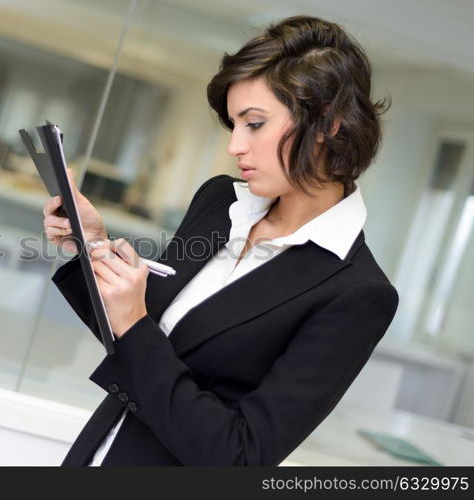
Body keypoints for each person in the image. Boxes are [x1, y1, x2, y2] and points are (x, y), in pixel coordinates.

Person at [42, 15, 398, 466]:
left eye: (254, 124)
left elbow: (240, 459)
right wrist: (92, 245)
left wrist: (135, 326)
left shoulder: (356, 293)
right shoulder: (219, 202)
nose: (235, 146)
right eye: (233, 125)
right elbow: (140, 342)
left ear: (328, 121)